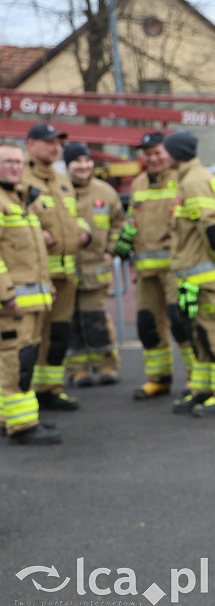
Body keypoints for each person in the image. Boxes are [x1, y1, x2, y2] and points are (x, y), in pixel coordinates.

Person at [165, 130, 215, 417]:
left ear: (176, 153)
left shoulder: (194, 182)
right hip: (191, 281)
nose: (162, 155)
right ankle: (204, 390)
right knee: (200, 337)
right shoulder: (189, 178)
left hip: (203, 281)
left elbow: (211, 229)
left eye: (165, 151)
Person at [115, 132, 197, 401]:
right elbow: (133, 220)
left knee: (182, 321)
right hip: (146, 269)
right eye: (147, 153)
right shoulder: (139, 183)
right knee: (147, 325)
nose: (153, 158)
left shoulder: (181, 179)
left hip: (179, 268)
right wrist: (124, 242)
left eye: (158, 152)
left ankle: (198, 377)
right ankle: (158, 379)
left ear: (168, 153)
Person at [22, 122, 90, 412]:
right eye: (48, 142)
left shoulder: (62, 180)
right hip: (38, 275)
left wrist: (83, 231)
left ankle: (51, 390)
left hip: (66, 274)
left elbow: (73, 217)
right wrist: (38, 234)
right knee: (32, 337)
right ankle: (29, 393)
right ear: (31, 145)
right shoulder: (21, 179)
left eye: (58, 142)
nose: (55, 147)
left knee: (59, 335)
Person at [0, 142, 61, 445]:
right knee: (16, 362)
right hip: (12, 304)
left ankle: (12, 417)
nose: (14, 166)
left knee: (22, 360)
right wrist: (5, 295)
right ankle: (22, 426)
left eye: (17, 162)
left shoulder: (20, 200)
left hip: (32, 302)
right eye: (7, 162)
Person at [62, 142, 125, 387]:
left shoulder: (106, 192)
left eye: (87, 160)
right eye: (77, 161)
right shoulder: (58, 190)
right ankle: (77, 370)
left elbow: (120, 224)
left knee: (95, 320)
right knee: (70, 323)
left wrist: (112, 251)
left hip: (95, 270)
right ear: (68, 165)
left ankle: (106, 366)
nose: (83, 165)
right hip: (65, 272)